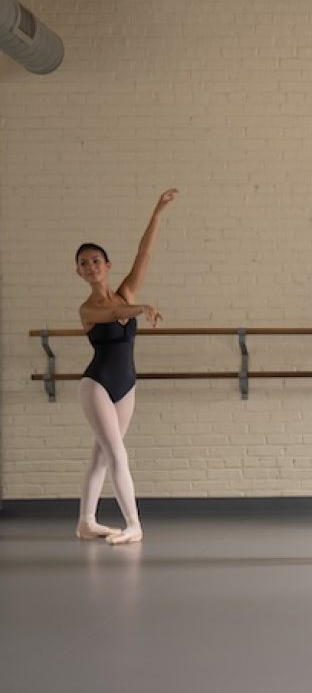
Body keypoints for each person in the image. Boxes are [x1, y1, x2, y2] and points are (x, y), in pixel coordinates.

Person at [75, 189, 177, 544]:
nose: (91, 266)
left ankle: (86, 521)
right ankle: (134, 524)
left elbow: (144, 253)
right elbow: (114, 314)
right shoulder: (88, 309)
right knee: (116, 452)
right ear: (79, 271)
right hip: (97, 385)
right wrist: (142, 307)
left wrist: (157, 212)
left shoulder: (126, 293)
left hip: (126, 386)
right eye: (84, 263)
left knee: (103, 455)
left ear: (107, 265)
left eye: (96, 260)